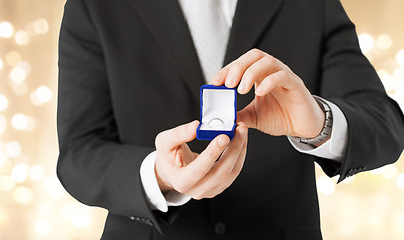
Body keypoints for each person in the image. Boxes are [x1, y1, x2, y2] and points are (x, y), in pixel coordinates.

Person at [56, 0, 404, 239]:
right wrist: (159, 175)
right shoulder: (94, 5)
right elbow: (79, 151)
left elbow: (385, 126)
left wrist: (320, 122)